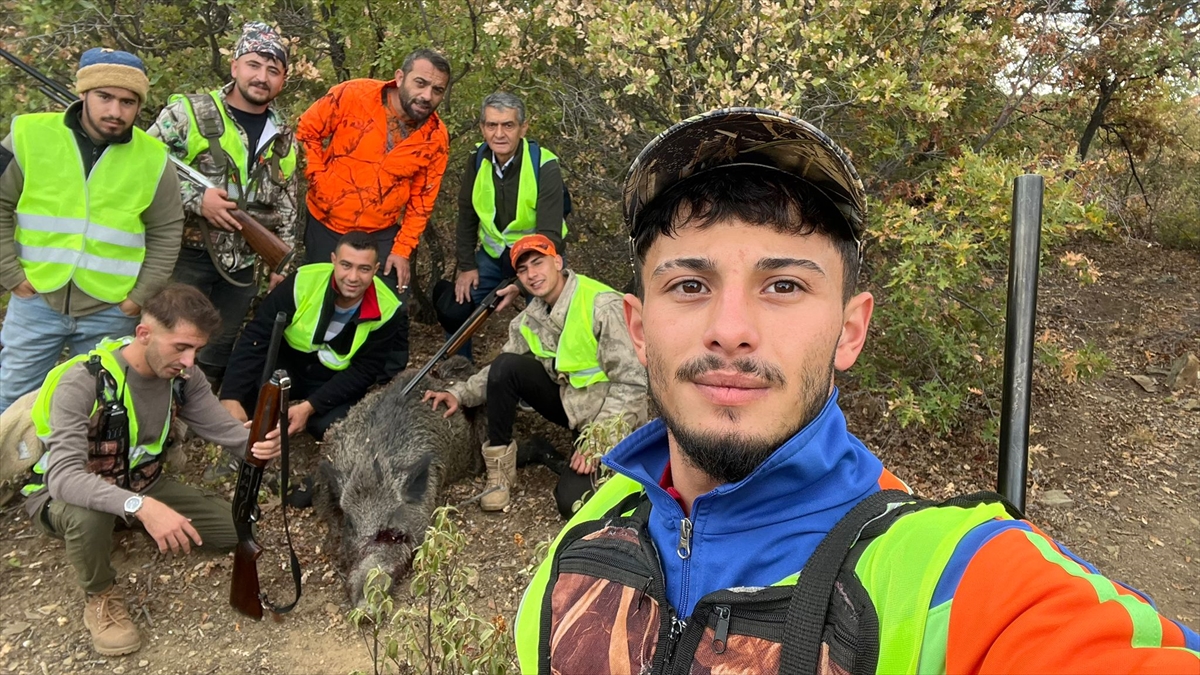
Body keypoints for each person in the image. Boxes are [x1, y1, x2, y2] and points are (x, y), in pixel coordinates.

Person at [514, 109, 1200, 673]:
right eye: (689, 285)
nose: (729, 330)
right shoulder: (585, 536)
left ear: (851, 328)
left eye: (783, 285)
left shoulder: (954, 577)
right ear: (639, 328)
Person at [14, 284, 282, 657]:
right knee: (89, 515)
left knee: (231, 531)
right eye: (181, 347)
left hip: (140, 482)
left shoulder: (185, 379)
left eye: (197, 350)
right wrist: (143, 507)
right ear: (144, 334)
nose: (190, 361)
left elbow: (228, 433)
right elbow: (63, 478)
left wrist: (260, 443)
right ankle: (100, 596)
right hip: (67, 496)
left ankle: (123, 523)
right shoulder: (83, 381)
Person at [0, 48, 184, 413]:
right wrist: (10, 273)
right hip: (38, 300)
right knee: (11, 399)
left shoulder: (154, 158)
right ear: (83, 93)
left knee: (101, 407)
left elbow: (167, 231)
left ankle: (69, 471)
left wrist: (138, 298)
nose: (115, 111)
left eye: (128, 101)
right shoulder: (26, 134)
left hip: (112, 310)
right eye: (105, 97)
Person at [424, 234, 647, 514]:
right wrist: (459, 393)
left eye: (538, 263)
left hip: (610, 419)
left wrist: (597, 442)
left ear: (557, 261)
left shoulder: (601, 305)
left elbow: (633, 384)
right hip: (572, 406)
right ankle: (499, 474)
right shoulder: (531, 316)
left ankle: (630, 466)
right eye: (523, 269)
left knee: (572, 504)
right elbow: (499, 370)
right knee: (506, 365)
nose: (532, 274)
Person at [148, 21, 298, 388]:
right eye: (253, 65)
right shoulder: (188, 114)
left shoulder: (283, 137)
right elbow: (142, 172)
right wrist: (198, 200)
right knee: (169, 342)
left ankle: (199, 419)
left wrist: (283, 260)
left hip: (245, 263)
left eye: (273, 70)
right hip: (186, 255)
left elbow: (289, 200)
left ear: (282, 80)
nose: (262, 77)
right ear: (235, 67)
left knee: (217, 348)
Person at [295, 48, 451, 378]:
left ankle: (385, 382)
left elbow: (423, 199)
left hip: (381, 231)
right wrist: (318, 179)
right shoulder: (353, 95)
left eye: (437, 90)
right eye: (420, 83)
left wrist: (402, 248)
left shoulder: (435, 137)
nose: (427, 96)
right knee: (322, 297)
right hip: (327, 221)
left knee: (390, 303)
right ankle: (309, 371)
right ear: (400, 77)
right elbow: (307, 130)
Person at [219, 231, 401, 439]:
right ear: (334, 260)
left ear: (376, 270)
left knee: (330, 428)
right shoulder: (302, 281)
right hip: (288, 365)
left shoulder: (388, 308)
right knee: (247, 397)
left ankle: (310, 417)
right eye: (346, 265)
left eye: (364, 269)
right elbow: (258, 334)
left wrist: (310, 406)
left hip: (333, 378)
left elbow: (365, 370)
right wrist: (231, 396)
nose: (353, 277)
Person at [433, 92, 569, 357]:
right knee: (458, 305)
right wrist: (466, 266)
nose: (499, 133)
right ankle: (457, 371)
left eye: (508, 125)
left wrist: (521, 283)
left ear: (523, 128)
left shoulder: (545, 164)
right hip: (493, 256)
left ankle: (541, 377)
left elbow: (550, 235)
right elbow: (467, 213)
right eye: (492, 125)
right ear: (483, 127)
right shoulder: (477, 159)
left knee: (548, 317)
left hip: (539, 256)